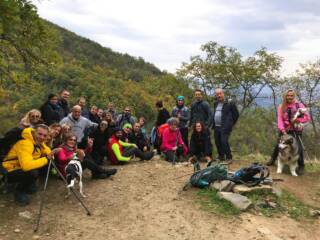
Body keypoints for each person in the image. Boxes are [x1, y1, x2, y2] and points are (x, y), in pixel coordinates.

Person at [2, 125, 53, 205]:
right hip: (9, 170)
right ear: (33, 132)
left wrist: (45, 148)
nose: (42, 137)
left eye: (45, 135)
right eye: (39, 134)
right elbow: (26, 166)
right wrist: (46, 159)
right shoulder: (25, 143)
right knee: (32, 172)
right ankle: (19, 191)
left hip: (19, 168)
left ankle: (29, 183)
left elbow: (49, 153)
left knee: (46, 164)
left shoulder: (37, 143)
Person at [266, 89, 310, 175]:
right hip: (285, 129)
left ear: (294, 96)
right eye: (288, 95)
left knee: (299, 147)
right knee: (279, 145)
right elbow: (280, 119)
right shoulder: (281, 106)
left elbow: (307, 117)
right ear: (285, 96)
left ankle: (301, 166)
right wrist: (282, 129)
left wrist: (298, 120)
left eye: (291, 95)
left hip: (297, 130)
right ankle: (272, 160)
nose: (290, 97)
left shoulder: (299, 105)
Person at [211, 88, 239, 163]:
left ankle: (229, 157)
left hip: (225, 126)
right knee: (217, 142)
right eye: (217, 94)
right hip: (216, 126)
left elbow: (236, 114)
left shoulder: (230, 103)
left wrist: (230, 123)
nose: (219, 95)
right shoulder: (216, 103)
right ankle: (221, 156)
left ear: (223, 93)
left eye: (220, 93)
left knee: (224, 141)